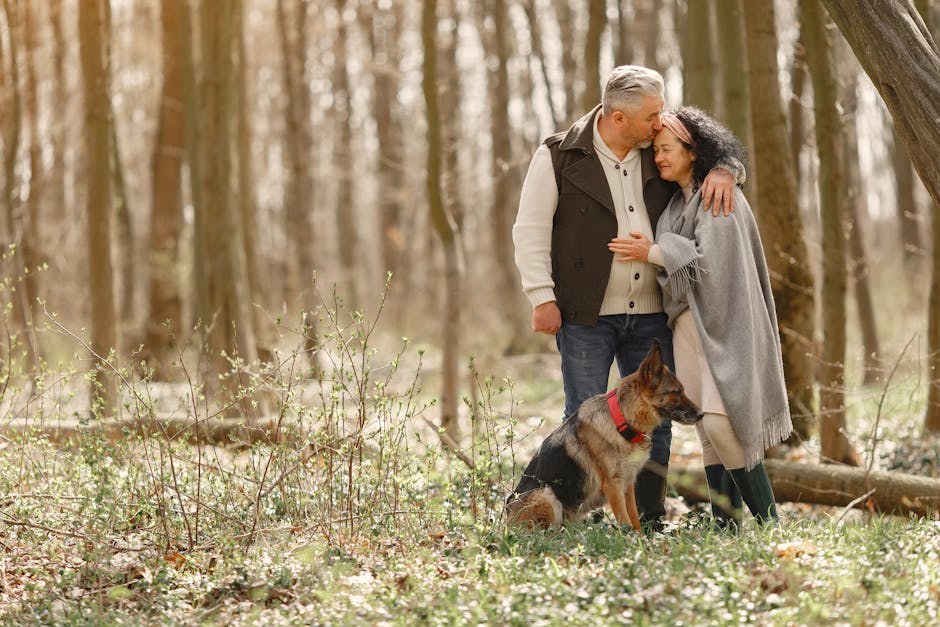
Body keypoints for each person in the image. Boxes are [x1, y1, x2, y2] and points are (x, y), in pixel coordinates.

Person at [512, 66, 742, 529]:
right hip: (585, 315)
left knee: (657, 417)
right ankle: (587, 515)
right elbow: (530, 228)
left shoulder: (656, 148)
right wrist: (541, 295)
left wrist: (727, 169)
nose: (661, 122)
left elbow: (709, 148)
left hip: (654, 310)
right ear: (619, 117)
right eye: (652, 115)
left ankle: (650, 519)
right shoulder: (558, 155)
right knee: (583, 416)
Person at [609, 106, 791, 525]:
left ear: (693, 151)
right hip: (687, 328)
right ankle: (726, 524)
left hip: (725, 327)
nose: (659, 158)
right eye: (656, 150)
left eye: (667, 149)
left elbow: (713, 267)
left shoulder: (717, 196)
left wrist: (653, 252)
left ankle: (770, 522)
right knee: (707, 429)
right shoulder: (675, 205)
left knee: (722, 425)